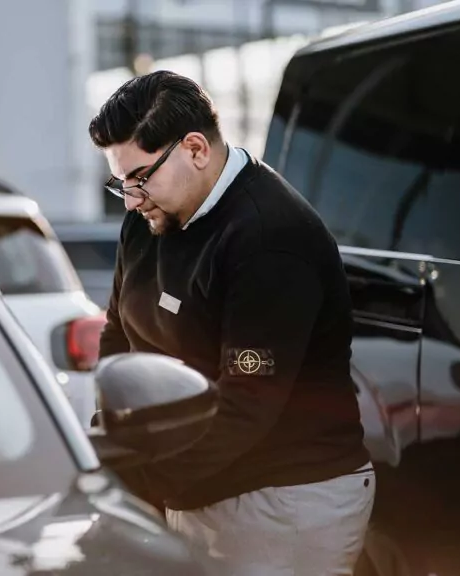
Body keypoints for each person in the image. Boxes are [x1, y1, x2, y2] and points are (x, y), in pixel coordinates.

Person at [90, 70, 374, 575]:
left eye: (139, 179)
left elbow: (248, 402)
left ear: (195, 148)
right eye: (120, 183)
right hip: (190, 483)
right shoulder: (147, 217)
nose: (131, 199)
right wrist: (113, 439)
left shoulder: (269, 239)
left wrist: (142, 480)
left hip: (282, 499)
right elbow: (119, 332)